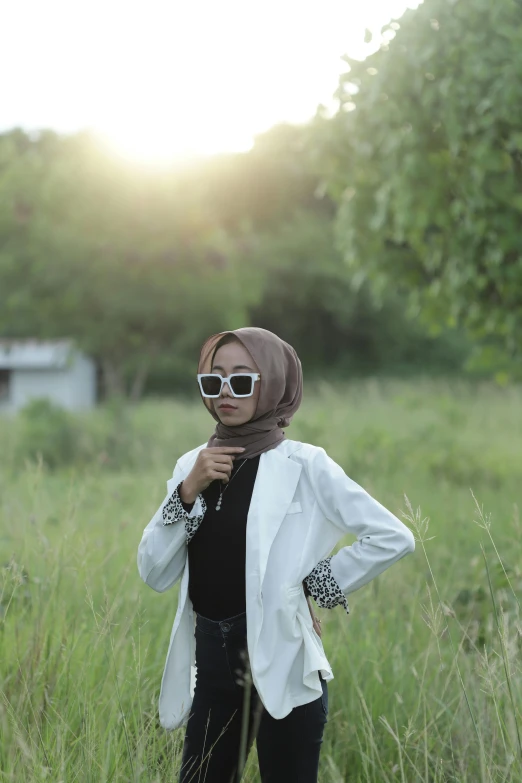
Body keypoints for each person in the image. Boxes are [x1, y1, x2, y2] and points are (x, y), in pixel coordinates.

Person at [137, 327, 415, 783]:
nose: (225, 392)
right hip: (211, 668)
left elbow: (392, 536)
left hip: (285, 667)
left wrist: (311, 584)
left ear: (271, 384)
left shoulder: (306, 464)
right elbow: (152, 570)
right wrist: (188, 492)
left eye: (242, 381)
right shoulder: (192, 466)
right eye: (214, 380)